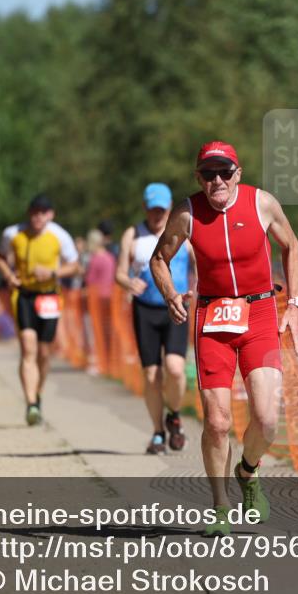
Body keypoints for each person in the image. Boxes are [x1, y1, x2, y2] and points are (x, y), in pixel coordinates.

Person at [149, 141, 298, 537]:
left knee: (267, 418)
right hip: (213, 318)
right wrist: (170, 295)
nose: (216, 180)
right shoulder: (187, 213)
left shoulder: (262, 204)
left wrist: (296, 305)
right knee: (217, 423)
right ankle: (220, 507)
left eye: (224, 172)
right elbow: (158, 258)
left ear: (238, 173)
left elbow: (292, 246)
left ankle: (247, 471)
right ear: (198, 178)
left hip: (261, 312)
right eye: (207, 174)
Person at [115, 183, 196, 455]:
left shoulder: (182, 230)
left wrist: (200, 289)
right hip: (145, 309)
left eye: (162, 210)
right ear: (145, 209)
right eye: (153, 210)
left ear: (170, 208)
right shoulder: (133, 235)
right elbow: (120, 273)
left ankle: (174, 414)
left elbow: (202, 263)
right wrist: (128, 283)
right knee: (151, 374)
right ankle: (158, 432)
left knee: (174, 368)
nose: (157, 215)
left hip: (176, 307)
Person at [0, 194, 79, 426]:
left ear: (50, 215)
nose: (37, 217)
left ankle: (38, 392)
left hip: (49, 295)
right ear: (28, 213)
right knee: (28, 348)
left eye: (42, 213)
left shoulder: (59, 236)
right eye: (34, 212)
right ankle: (31, 403)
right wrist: (9, 276)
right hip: (24, 295)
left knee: (44, 352)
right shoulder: (13, 234)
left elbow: (74, 265)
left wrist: (53, 273)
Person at [84, 228, 115, 376]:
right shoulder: (109, 257)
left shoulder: (95, 258)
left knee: (95, 330)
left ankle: (99, 362)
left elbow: (90, 280)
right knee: (107, 330)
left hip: (96, 299)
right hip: (110, 296)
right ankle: (108, 361)